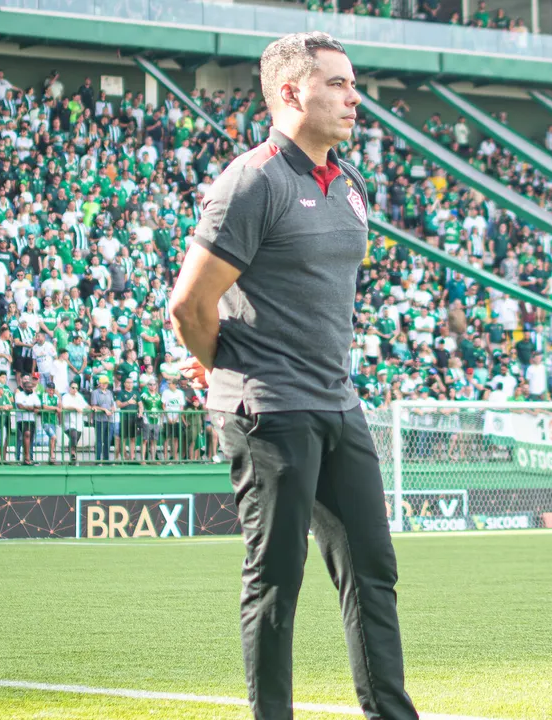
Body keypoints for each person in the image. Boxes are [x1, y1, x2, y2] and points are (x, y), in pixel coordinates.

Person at [167, 32, 418, 720]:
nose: (353, 98)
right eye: (336, 83)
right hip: (269, 411)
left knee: (373, 573)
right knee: (278, 580)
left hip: (338, 403)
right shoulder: (252, 181)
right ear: (289, 92)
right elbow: (189, 303)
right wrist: (232, 371)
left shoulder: (351, 185)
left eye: (352, 83)